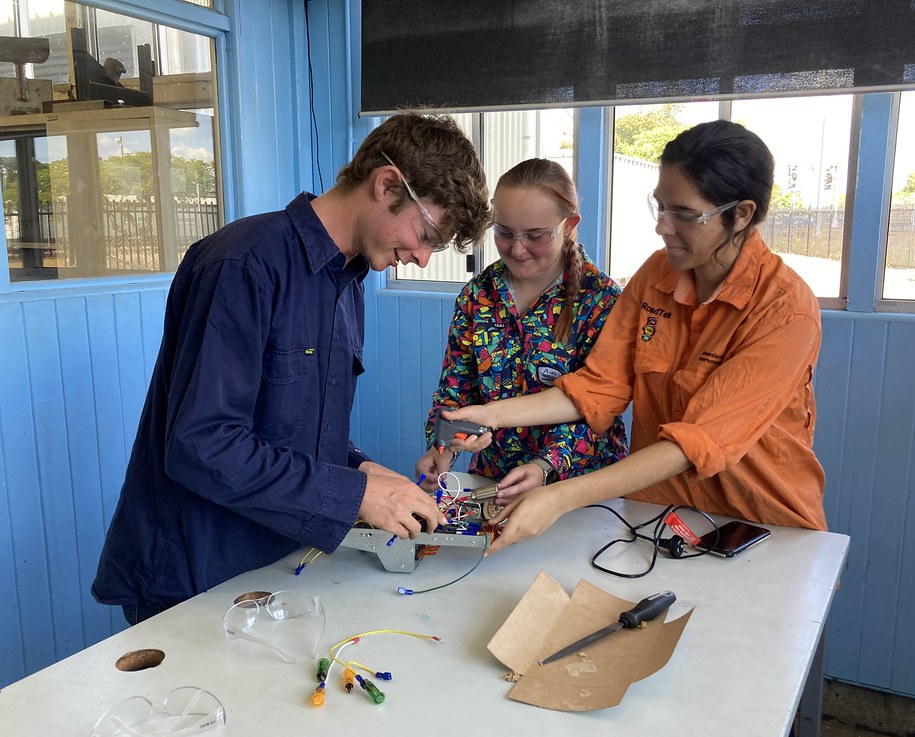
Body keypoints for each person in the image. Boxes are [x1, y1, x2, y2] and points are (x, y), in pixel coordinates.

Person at [92, 112, 491, 623]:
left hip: (275, 566)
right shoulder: (242, 264)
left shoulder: (348, 283)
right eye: (428, 233)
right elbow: (201, 444)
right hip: (197, 574)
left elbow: (293, 427)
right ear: (387, 183)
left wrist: (364, 470)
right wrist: (357, 493)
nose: (422, 259)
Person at [445, 120, 827, 556]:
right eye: (659, 207)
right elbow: (596, 390)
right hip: (658, 515)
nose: (662, 227)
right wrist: (489, 415)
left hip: (757, 524)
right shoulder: (655, 275)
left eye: (683, 214)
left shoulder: (785, 309)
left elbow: (694, 443)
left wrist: (558, 495)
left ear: (740, 214)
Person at [415, 159, 628, 503]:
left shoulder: (602, 301)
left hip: (579, 492)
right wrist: (443, 449)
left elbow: (599, 407)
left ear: (569, 225)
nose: (517, 248)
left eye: (535, 236)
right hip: (490, 486)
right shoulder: (477, 295)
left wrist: (545, 465)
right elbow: (455, 390)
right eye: (504, 232)